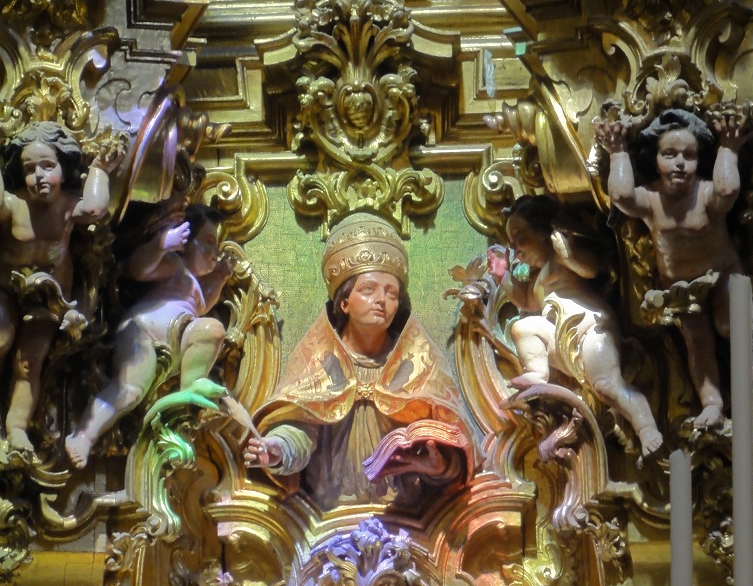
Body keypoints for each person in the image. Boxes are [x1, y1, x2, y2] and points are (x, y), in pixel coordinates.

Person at [243, 213, 477, 510]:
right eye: (368, 289)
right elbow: (301, 429)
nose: (382, 300)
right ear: (344, 302)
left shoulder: (419, 361)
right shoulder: (319, 359)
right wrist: (278, 450)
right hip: (327, 512)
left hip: (407, 513)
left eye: (392, 293)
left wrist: (440, 465)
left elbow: (453, 444)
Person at [595, 107, 753, 430]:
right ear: (655, 159)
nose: (680, 162)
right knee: (697, 343)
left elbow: (728, 191)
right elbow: (622, 195)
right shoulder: (651, 199)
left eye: (689, 155)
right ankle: (712, 404)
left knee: (730, 325)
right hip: (682, 288)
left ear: (700, 160)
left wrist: (728, 146)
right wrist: (618, 151)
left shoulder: (706, 192)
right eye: (669, 154)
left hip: (724, 272)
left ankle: (749, 383)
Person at [488, 194, 664, 458]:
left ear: (543, 231)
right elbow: (525, 300)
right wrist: (503, 276)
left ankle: (646, 426)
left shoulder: (560, 259)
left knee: (606, 386)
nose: (514, 248)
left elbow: (591, 269)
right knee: (522, 328)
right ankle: (537, 372)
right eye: (510, 242)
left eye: (519, 237)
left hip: (590, 329)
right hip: (560, 339)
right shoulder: (538, 281)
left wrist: (568, 254)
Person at [65, 201, 236, 469]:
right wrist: (162, 245)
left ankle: (192, 385)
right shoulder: (175, 266)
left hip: (173, 341)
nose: (214, 254)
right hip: (143, 332)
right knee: (129, 391)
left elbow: (203, 305)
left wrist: (221, 276)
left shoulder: (194, 287)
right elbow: (137, 269)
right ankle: (84, 436)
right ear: (186, 241)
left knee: (212, 329)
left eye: (217, 247)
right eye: (208, 242)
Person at [0, 121, 119, 453]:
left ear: (64, 171)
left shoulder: (67, 206)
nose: (39, 175)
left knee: (29, 362)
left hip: (50, 298)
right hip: (7, 289)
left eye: (47, 166)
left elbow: (94, 208)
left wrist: (99, 169)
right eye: (30, 169)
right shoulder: (13, 205)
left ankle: (16, 428)